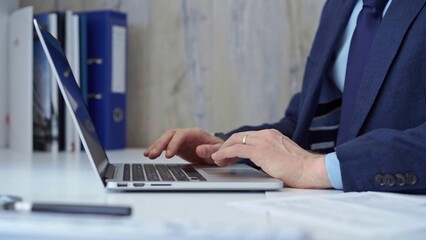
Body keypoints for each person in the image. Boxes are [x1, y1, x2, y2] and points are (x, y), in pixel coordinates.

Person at [144, 0, 426, 193]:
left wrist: (316, 169)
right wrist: (229, 148)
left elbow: (308, 161)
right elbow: (312, 122)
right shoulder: (341, 7)